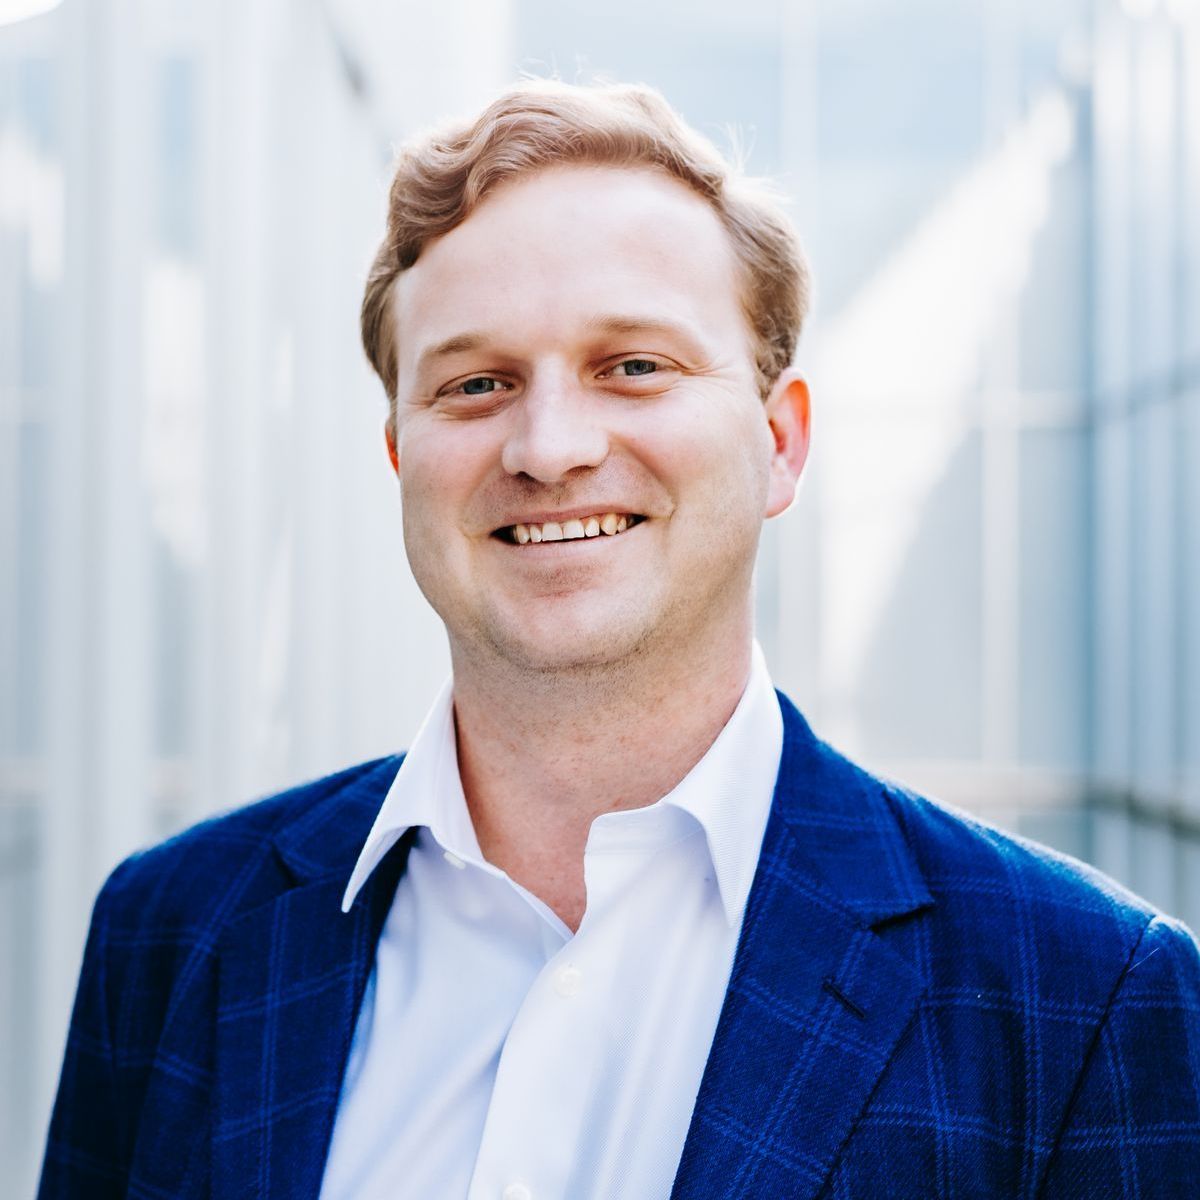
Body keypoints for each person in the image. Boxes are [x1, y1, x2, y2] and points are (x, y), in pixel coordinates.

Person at [38, 80, 1200, 1200]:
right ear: (399, 456)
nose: (548, 446)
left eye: (633, 366)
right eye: (476, 383)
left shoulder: (1087, 1001)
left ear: (780, 442)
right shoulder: (171, 933)